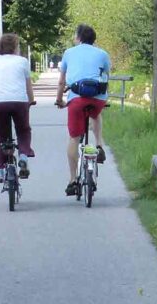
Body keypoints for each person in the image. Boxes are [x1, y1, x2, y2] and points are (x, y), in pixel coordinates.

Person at [54, 24, 110, 197]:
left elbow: (62, 82)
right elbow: (106, 77)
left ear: (78, 38)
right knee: (96, 114)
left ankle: (73, 180)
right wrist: (104, 99)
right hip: (97, 98)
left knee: (74, 138)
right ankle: (99, 144)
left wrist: (59, 100)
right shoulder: (103, 54)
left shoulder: (69, 53)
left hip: (77, 99)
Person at [0, 33, 36, 184]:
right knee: (23, 130)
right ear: (14, 48)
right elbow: (28, 87)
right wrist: (31, 101)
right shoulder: (23, 61)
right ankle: (23, 157)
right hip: (19, 102)